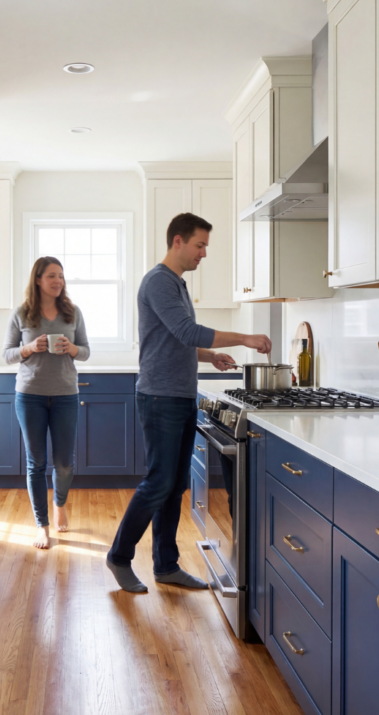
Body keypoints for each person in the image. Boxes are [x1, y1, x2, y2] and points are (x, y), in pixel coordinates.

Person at [106, 212, 271, 593]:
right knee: (159, 481)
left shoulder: (176, 284)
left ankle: (166, 565)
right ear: (177, 241)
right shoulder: (159, 282)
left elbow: (176, 341)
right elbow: (186, 329)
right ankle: (119, 556)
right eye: (200, 245)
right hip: (160, 396)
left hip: (179, 394)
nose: (204, 254)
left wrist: (209, 356)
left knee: (175, 483)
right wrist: (244, 338)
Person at [3, 256, 90, 549]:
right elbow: (6, 354)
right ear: (38, 279)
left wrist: (72, 348)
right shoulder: (21, 314)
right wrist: (28, 348)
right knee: (36, 463)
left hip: (66, 394)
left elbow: (86, 351)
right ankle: (42, 525)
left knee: (64, 463)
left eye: (61, 276)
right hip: (29, 396)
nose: (58, 281)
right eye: (52, 276)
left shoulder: (73, 313)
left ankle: (60, 504)